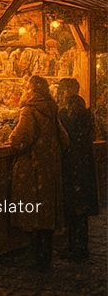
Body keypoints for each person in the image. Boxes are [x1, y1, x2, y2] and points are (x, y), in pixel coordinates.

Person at [8, 75, 68, 270]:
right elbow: (64, 139)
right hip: (49, 169)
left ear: (33, 90)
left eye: (28, 87)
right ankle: (45, 256)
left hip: (32, 168)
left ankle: (34, 257)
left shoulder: (29, 110)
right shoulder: (52, 108)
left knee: (32, 211)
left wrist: (11, 138)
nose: (26, 91)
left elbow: (21, 138)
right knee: (46, 213)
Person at [56, 78, 98, 261]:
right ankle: (78, 246)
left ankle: (77, 248)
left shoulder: (71, 111)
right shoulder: (82, 109)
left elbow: (66, 135)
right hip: (82, 165)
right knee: (79, 209)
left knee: (75, 208)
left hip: (74, 165)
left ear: (68, 90)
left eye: (63, 89)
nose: (61, 92)